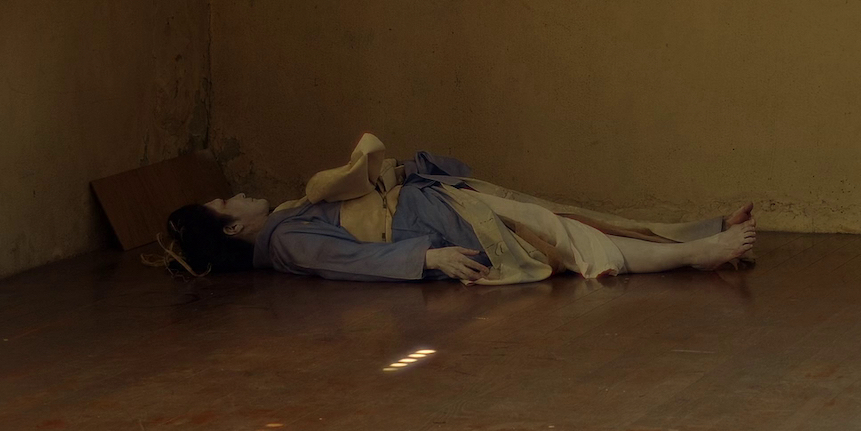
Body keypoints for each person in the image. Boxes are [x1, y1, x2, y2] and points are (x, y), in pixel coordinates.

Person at [159, 134, 756, 285]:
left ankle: (700, 235)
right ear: (234, 226)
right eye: (227, 201)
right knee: (566, 238)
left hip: (433, 203)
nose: (237, 193)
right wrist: (428, 258)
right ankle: (698, 253)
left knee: (565, 216)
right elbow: (352, 263)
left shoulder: (289, 216)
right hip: (429, 224)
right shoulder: (288, 241)